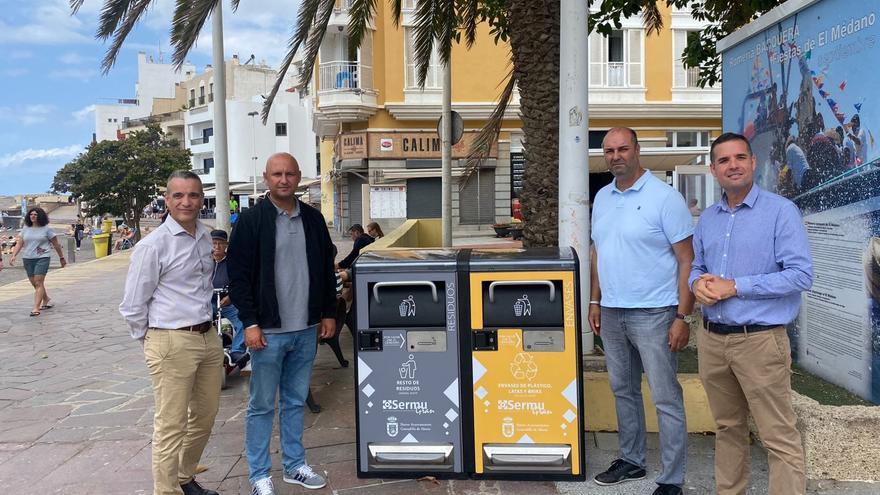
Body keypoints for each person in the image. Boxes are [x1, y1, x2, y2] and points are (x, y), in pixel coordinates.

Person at [690, 133, 813, 495]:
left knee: (778, 435)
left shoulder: (780, 212)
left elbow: (801, 275)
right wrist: (697, 284)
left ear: (753, 163)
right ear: (713, 169)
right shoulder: (709, 219)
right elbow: (697, 266)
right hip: (713, 341)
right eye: (724, 160)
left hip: (759, 341)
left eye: (740, 157)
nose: (734, 165)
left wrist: (735, 286)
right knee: (728, 428)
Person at [589, 128, 694, 495]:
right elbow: (598, 251)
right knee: (623, 390)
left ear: (637, 150)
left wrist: (683, 316)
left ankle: (672, 478)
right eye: (609, 151)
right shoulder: (601, 197)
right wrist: (595, 299)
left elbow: (687, 260)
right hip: (613, 313)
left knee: (665, 395)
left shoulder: (665, 199)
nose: (616, 156)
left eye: (622, 148)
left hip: (656, 312)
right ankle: (632, 461)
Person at [227, 152, 337, 495]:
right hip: (268, 333)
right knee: (261, 405)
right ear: (266, 177)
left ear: (299, 176)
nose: (284, 179)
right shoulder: (251, 221)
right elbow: (239, 277)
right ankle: (260, 474)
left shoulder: (314, 220)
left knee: (293, 401)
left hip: (305, 328)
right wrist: (250, 323)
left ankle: (294, 466)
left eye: (290, 173)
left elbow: (324, 269)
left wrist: (328, 312)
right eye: (277, 174)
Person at [119, 170, 222, 495]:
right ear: (167, 200)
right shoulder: (153, 246)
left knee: (205, 416)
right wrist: (152, 341)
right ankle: (167, 490)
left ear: (201, 198)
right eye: (178, 195)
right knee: (171, 424)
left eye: (193, 195)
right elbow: (133, 305)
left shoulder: (204, 236)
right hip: (170, 340)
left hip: (207, 336)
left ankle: (183, 475)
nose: (186, 201)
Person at [9, 207, 67, 317]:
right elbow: (20, 243)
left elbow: (56, 245)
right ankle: (46, 299)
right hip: (28, 258)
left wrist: (61, 258)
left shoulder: (47, 229)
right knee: (34, 283)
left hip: (43, 257)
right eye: (31, 214)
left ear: (40, 216)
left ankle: (36, 307)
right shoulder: (26, 228)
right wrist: (13, 255)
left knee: (38, 282)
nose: (33, 216)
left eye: (35, 214)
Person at [209, 229, 248, 366]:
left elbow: (240, 282)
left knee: (244, 319)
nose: (217, 247)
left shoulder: (233, 262)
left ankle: (236, 351)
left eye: (220, 243)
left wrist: (231, 296)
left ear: (226, 245)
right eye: (214, 243)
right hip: (209, 301)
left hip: (228, 301)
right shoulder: (204, 261)